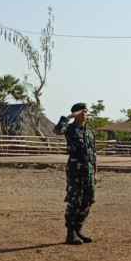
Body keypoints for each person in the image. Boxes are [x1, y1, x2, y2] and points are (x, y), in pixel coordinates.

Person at [53, 103, 98, 245]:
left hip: (89, 170)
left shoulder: (90, 131)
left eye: (86, 111)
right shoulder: (70, 128)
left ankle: (79, 229)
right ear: (75, 114)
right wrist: (69, 117)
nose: (84, 114)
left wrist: (95, 172)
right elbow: (57, 130)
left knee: (88, 199)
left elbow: (94, 153)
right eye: (81, 112)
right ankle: (70, 232)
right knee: (74, 200)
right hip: (75, 170)